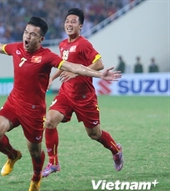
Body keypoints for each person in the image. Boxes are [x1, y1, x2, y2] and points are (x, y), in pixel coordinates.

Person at [0, 16, 121, 191]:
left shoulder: (47, 56)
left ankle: (36, 177)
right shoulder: (17, 48)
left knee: (35, 152)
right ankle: (13, 155)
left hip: (34, 112)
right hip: (13, 103)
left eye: (32, 34)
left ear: (40, 39)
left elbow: (73, 67)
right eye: (26, 32)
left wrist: (99, 75)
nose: (27, 36)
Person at [42, 8, 124, 178]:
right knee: (49, 121)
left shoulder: (84, 44)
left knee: (94, 134)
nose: (69, 24)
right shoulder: (63, 44)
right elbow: (63, 63)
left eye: (73, 22)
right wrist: (52, 77)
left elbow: (99, 64)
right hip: (66, 94)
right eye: (67, 21)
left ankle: (116, 150)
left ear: (80, 26)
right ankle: (53, 163)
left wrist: (77, 72)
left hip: (85, 98)